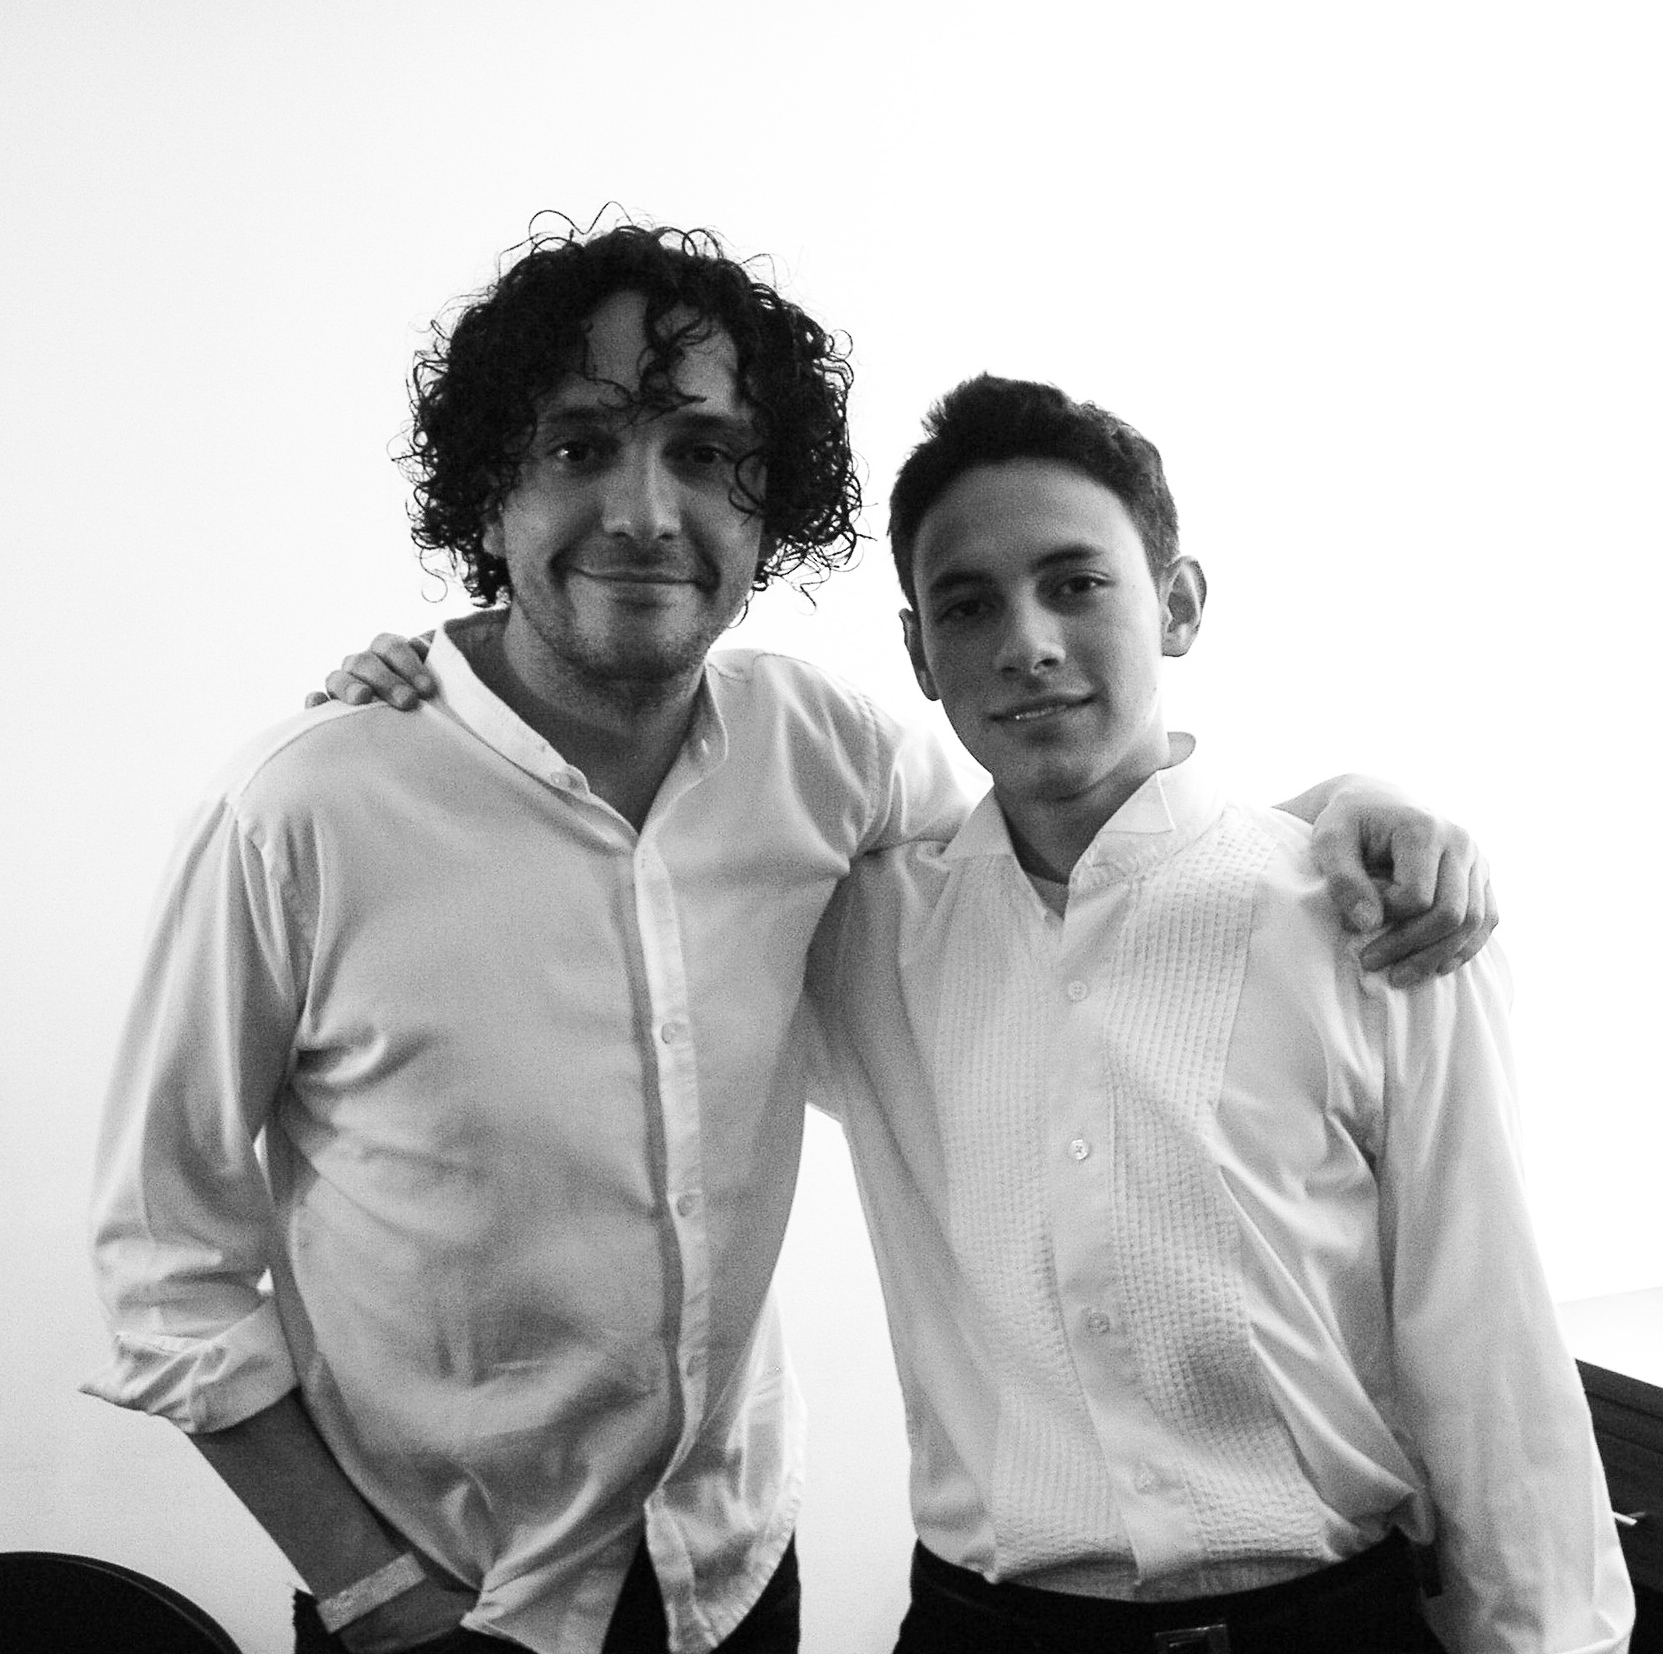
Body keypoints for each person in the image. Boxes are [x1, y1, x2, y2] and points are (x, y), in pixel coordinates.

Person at [88, 221, 1495, 1654]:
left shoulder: (825, 749)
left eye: (703, 454)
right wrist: (375, 1595)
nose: (646, 511)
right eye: (578, 446)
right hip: (444, 1600)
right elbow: (163, 1258)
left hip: (734, 1579)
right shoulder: (305, 810)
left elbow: (1086, 851)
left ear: (773, 508)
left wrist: (1345, 809)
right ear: (487, 497)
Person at [800, 374, 1631, 1652]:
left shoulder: (1371, 922)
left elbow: (1485, 1346)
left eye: (1076, 583)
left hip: (1327, 1617)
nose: (1025, 641)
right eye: (967, 605)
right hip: (984, 1625)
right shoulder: (863, 942)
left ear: (1178, 604)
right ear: (919, 654)